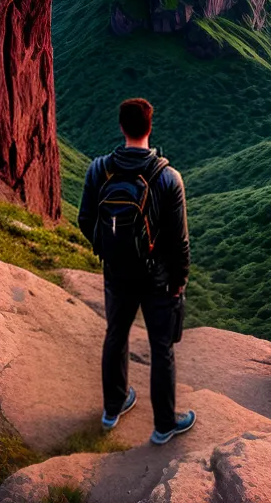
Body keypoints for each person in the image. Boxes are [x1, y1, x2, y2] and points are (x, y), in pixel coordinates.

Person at [77, 97, 196, 443]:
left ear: (121, 127)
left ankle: (112, 408)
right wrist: (179, 281)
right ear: (149, 128)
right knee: (161, 348)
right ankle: (163, 426)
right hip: (157, 279)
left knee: (116, 335)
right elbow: (179, 241)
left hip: (117, 275)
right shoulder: (168, 178)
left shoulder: (99, 169)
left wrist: (110, 250)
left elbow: (86, 219)